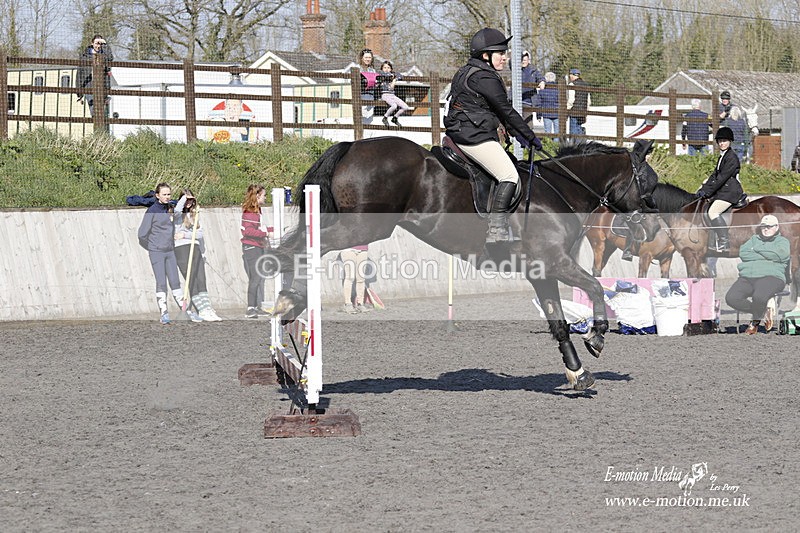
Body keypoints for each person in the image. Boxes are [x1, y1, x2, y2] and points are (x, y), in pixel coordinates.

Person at [444, 28, 542, 244]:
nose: (505, 57)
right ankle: (496, 230)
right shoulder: (484, 77)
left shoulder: (467, 71)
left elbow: (498, 112)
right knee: (509, 176)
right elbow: (505, 110)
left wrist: (519, 135)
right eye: (501, 53)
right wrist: (530, 136)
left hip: (461, 131)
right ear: (485, 55)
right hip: (473, 136)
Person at [137, 183, 198, 324]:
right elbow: (142, 234)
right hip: (156, 252)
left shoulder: (170, 208)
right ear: (157, 195)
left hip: (170, 251)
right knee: (161, 282)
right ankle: (164, 313)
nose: (167, 197)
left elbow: (178, 211)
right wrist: (152, 247)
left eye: (169, 194)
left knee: (175, 282)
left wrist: (185, 198)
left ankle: (186, 311)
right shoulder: (152, 211)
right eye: (164, 194)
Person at [725, 215, 790, 334]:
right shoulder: (753, 239)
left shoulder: (782, 241)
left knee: (759, 297)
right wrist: (768, 254)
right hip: (748, 276)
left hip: (772, 276)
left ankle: (754, 322)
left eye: (769, 226)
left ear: (776, 227)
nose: (766, 229)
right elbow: (744, 253)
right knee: (731, 298)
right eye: (763, 226)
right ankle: (762, 310)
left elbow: (780, 256)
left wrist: (757, 250)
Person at [173, 191, 223, 322]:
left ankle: (207, 308)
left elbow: (199, 234)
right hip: (182, 249)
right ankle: (201, 310)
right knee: (192, 280)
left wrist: (186, 235)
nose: (189, 203)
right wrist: (185, 198)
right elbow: (178, 210)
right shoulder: (178, 215)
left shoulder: (194, 215)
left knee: (201, 279)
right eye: (186, 200)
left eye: (191, 200)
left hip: (195, 247)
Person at [696, 126, 744, 253]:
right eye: (720, 141)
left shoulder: (732, 158)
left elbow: (721, 179)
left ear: (730, 142)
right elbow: (714, 175)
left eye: (725, 141)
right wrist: (703, 188)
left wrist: (708, 192)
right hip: (724, 190)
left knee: (713, 212)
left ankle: (724, 241)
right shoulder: (722, 156)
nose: (722, 143)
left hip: (730, 191)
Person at [241, 184, 271, 318]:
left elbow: (259, 228)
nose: (266, 197)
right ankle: (250, 308)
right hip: (251, 247)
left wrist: (271, 230)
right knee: (255, 277)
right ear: (257, 196)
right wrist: (265, 233)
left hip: (257, 246)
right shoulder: (250, 212)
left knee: (258, 278)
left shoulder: (257, 211)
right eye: (264, 195)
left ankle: (256, 306)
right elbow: (248, 231)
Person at [77, 34, 113, 117]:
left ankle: (100, 128)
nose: (98, 46)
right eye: (97, 43)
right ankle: (98, 127)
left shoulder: (105, 56)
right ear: (92, 43)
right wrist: (79, 92)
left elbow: (110, 58)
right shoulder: (84, 56)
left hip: (102, 85)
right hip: (89, 85)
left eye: (100, 43)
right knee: (94, 109)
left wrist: (105, 45)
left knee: (102, 111)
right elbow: (79, 73)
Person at [378, 61, 411, 128]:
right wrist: (391, 75)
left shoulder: (393, 76)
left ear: (391, 69)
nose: (386, 69)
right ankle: (385, 117)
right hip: (385, 95)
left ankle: (395, 118)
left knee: (405, 107)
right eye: (384, 67)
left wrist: (394, 79)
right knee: (394, 106)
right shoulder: (380, 74)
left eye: (388, 67)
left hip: (392, 95)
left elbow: (400, 76)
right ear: (382, 69)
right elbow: (383, 74)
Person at [340, 245, 372, 314]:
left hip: (363, 249)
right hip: (349, 249)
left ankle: (360, 303)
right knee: (349, 277)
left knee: (361, 279)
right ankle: (347, 304)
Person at [566, 68, 591, 140]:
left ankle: (574, 147)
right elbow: (588, 100)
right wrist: (587, 110)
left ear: (573, 75)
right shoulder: (585, 85)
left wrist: (568, 109)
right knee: (579, 129)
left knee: (573, 131)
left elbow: (571, 100)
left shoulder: (572, 84)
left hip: (574, 111)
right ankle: (580, 146)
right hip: (583, 111)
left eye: (570, 75)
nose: (570, 76)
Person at [520, 51, 545, 122]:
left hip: (528, 102)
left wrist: (542, 81)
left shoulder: (533, 70)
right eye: (522, 60)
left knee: (528, 123)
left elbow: (540, 77)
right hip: (517, 100)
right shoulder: (517, 69)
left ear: (528, 60)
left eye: (524, 60)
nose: (523, 62)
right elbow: (510, 62)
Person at [358, 48, 378, 124]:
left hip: (371, 96)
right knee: (362, 117)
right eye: (366, 57)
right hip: (361, 96)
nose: (368, 59)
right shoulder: (358, 69)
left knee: (369, 118)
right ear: (362, 58)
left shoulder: (372, 70)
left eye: (369, 57)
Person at [538, 71, 559, 136]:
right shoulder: (558, 90)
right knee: (557, 133)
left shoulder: (542, 90)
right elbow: (562, 102)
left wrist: (539, 115)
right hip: (557, 113)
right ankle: (557, 145)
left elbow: (539, 104)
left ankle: (548, 144)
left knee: (547, 132)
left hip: (546, 113)